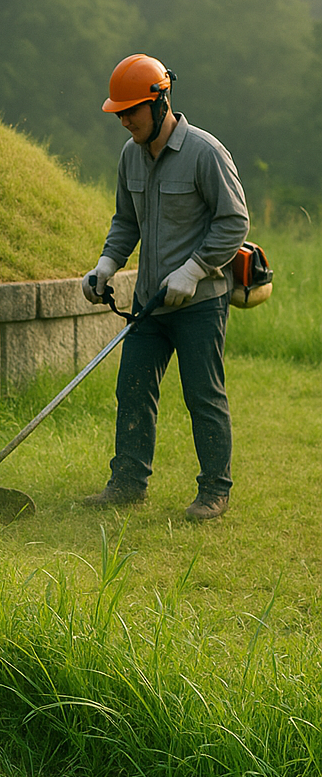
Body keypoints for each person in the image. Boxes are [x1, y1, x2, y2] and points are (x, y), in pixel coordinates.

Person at [81, 53, 249, 521]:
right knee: (132, 388)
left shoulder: (205, 152)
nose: (124, 121)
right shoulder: (130, 156)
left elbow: (233, 222)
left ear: (160, 102)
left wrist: (194, 270)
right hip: (149, 304)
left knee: (203, 395)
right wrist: (106, 266)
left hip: (200, 303)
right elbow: (125, 221)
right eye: (119, 113)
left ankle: (215, 490)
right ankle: (128, 482)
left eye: (131, 111)